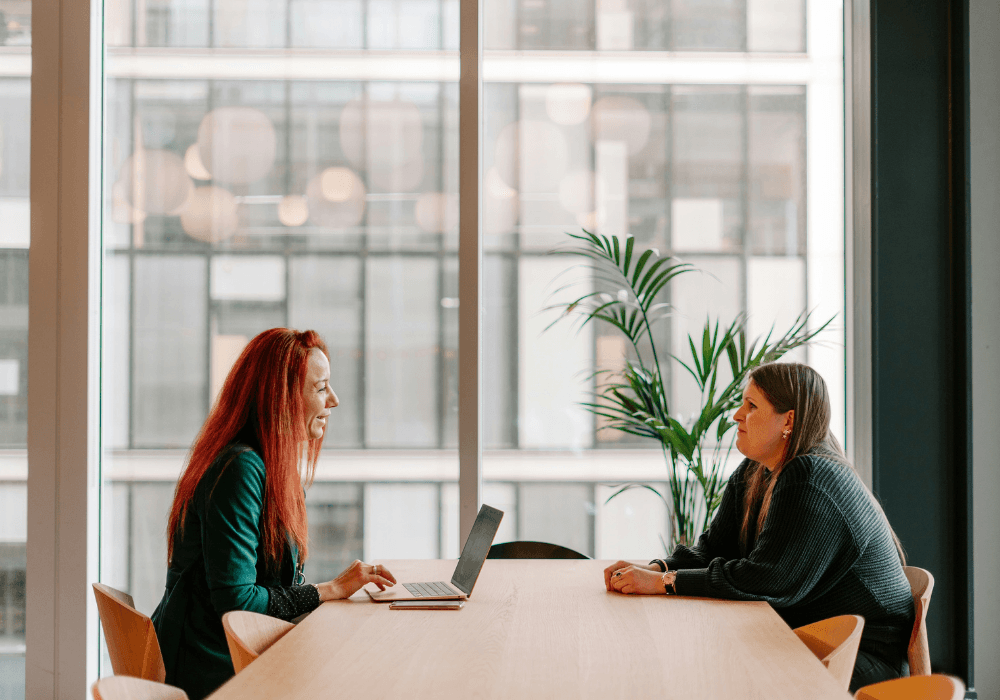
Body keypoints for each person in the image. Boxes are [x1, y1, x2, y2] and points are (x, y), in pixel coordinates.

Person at [603, 362, 915, 692]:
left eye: (752, 406)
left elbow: (767, 579)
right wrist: (655, 569)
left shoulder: (810, 476)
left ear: (789, 420)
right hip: (801, 638)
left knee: (705, 673)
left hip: (858, 658)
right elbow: (713, 549)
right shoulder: (757, 469)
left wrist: (665, 583)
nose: (737, 415)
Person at [152, 328, 397, 699]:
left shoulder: (267, 467)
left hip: (233, 656)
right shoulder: (240, 468)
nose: (334, 399)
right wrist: (329, 590)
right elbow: (238, 604)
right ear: (281, 398)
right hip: (215, 669)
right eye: (320, 387)